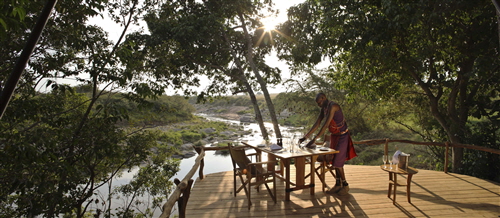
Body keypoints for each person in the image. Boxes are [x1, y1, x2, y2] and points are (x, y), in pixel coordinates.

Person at [299, 92, 357, 195]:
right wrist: (305, 137)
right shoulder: (324, 109)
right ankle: (338, 184)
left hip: (342, 136)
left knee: (338, 162)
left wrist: (315, 139)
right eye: (317, 103)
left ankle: (345, 185)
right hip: (334, 136)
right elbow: (317, 123)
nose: (319, 105)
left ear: (323, 98)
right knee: (334, 160)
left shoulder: (333, 106)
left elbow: (326, 124)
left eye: (319, 102)